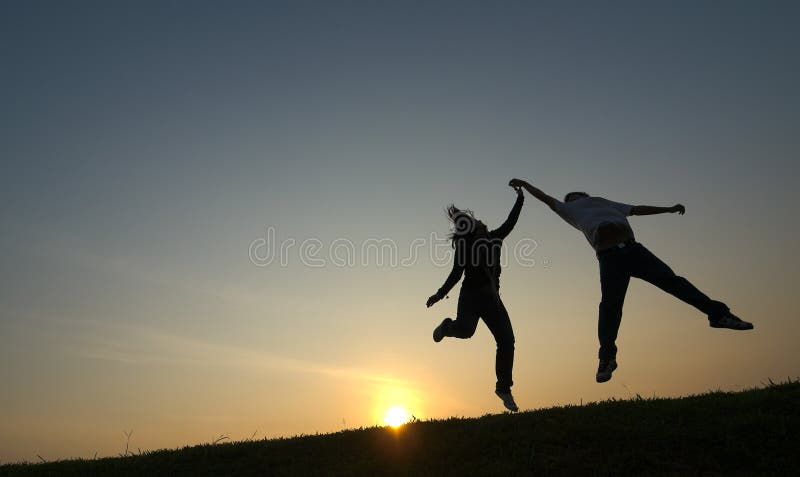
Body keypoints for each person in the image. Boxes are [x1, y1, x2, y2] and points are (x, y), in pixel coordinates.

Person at [508, 178, 753, 383]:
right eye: (571, 197)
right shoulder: (568, 209)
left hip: (635, 251)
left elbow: (636, 209)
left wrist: (667, 209)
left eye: (578, 195)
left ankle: (718, 315)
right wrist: (524, 184)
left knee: (674, 283)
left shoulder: (604, 202)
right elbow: (543, 196)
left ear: (585, 195)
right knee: (610, 306)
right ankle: (606, 358)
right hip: (609, 257)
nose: (575, 197)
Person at [426, 184, 524, 411]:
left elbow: (511, 222)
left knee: (507, 340)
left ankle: (504, 388)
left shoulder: (494, 237)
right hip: (470, 297)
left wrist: (520, 198)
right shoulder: (465, 246)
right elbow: (456, 273)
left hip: (492, 300)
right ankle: (447, 327)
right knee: (466, 331)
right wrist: (440, 294)